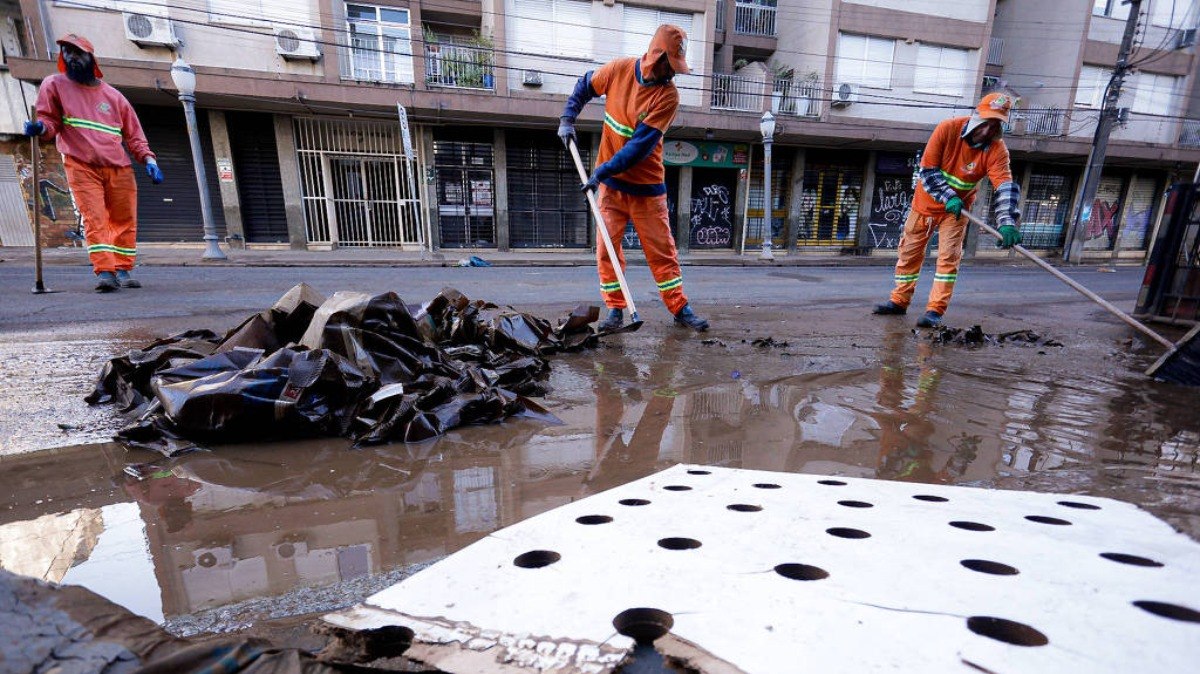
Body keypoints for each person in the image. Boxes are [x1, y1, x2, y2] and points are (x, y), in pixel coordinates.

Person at [557, 24, 709, 332]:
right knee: (606, 250)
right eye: (671, 65)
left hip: (647, 190)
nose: (673, 73)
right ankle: (615, 311)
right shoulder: (618, 70)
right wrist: (567, 118)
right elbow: (585, 85)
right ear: (656, 57)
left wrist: (599, 172)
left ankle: (680, 308)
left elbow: (639, 147)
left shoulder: (668, 97)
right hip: (613, 190)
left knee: (662, 253)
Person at [25, 34, 162, 293]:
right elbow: (50, 121)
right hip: (81, 164)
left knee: (125, 219)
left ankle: (123, 268)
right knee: (95, 218)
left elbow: (134, 134)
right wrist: (41, 127)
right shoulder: (54, 85)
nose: (71, 57)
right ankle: (106, 272)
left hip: (118, 167)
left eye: (77, 53)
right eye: (67, 52)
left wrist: (149, 159)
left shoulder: (114, 97)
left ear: (91, 57)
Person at [873, 92, 1022, 327]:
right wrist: (949, 196)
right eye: (986, 123)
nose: (987, 131)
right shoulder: (947, 129)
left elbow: (1004, 186)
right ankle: (899, 301)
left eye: (995, 126)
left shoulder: (997, 150)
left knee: (948, 261)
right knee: (909, 255)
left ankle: (935, 311)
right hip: (924, 206)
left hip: (956, 213)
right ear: (976, 116)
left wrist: (1007, 221)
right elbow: (928, 171)